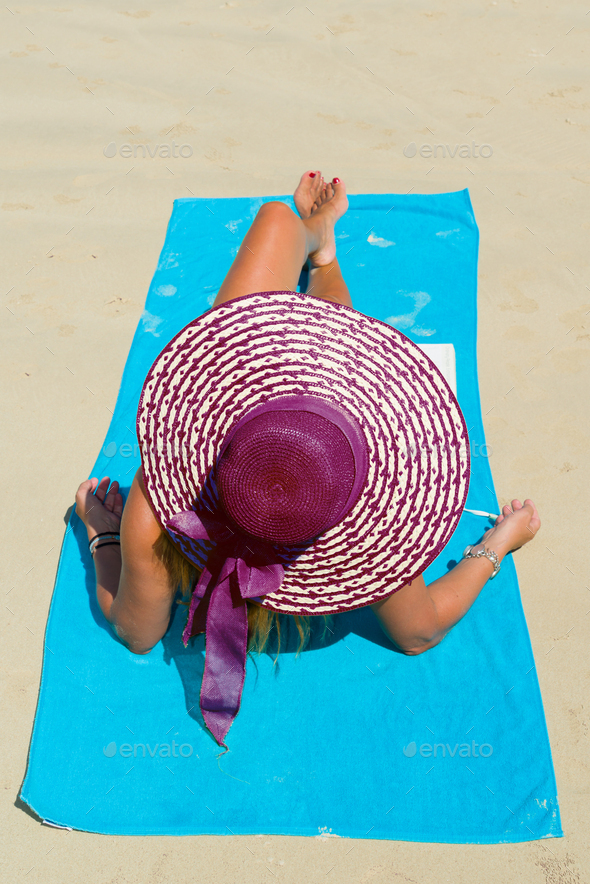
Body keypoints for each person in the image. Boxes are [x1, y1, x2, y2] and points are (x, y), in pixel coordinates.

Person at [75, 171, 540, 746]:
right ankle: (323, 255)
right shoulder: (373, 535)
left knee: (275, 220)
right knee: (306, 292)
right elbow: (419, 632)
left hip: (250, 411)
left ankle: (316, 238)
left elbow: (137, 632)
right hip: (298, 421)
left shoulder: (160, 510)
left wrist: (104, 537)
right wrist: (497, 543)